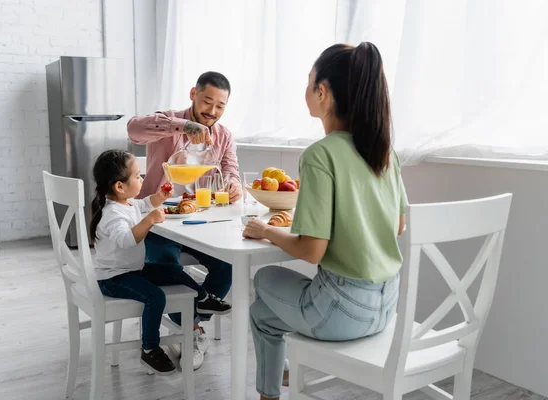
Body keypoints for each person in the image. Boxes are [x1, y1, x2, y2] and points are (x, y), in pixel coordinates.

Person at [242, 42, 407, 400]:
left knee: (264, 277)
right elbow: (398, 226)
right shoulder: (384, 152)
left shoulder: (320, 155)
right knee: (262, 313)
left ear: (322, 92)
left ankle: (268, 393)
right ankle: (273, 387)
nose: (306, 92)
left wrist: (267, 230)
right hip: (388, 306)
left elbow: (312, 251)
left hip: (340, 313)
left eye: (308, 83)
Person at [127, 72, 238, 369]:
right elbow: (133, 129)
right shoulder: (167, 121)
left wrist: (234, 184)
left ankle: (190, 324)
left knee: (227, 265)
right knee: (167, 267)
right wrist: (184, 125)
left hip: (198, 219)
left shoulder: (223, 136)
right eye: (207, 101)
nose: (212, 111)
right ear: (193, 93)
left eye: (220, 106)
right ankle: (191, 330)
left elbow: (230, 170)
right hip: (158, 218)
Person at [90, 149, 231, 375]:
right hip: (113, 278)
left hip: (132, 270)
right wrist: (149, 221)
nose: (142, 179)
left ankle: (203, 299)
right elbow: (127, 240)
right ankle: (149, 348)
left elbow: (146, 204)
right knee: (155, 296)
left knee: (173, 271)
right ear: (119, 186)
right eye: (137, 176)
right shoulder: (113, 214)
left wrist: (160, 198)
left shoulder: (128, 203)